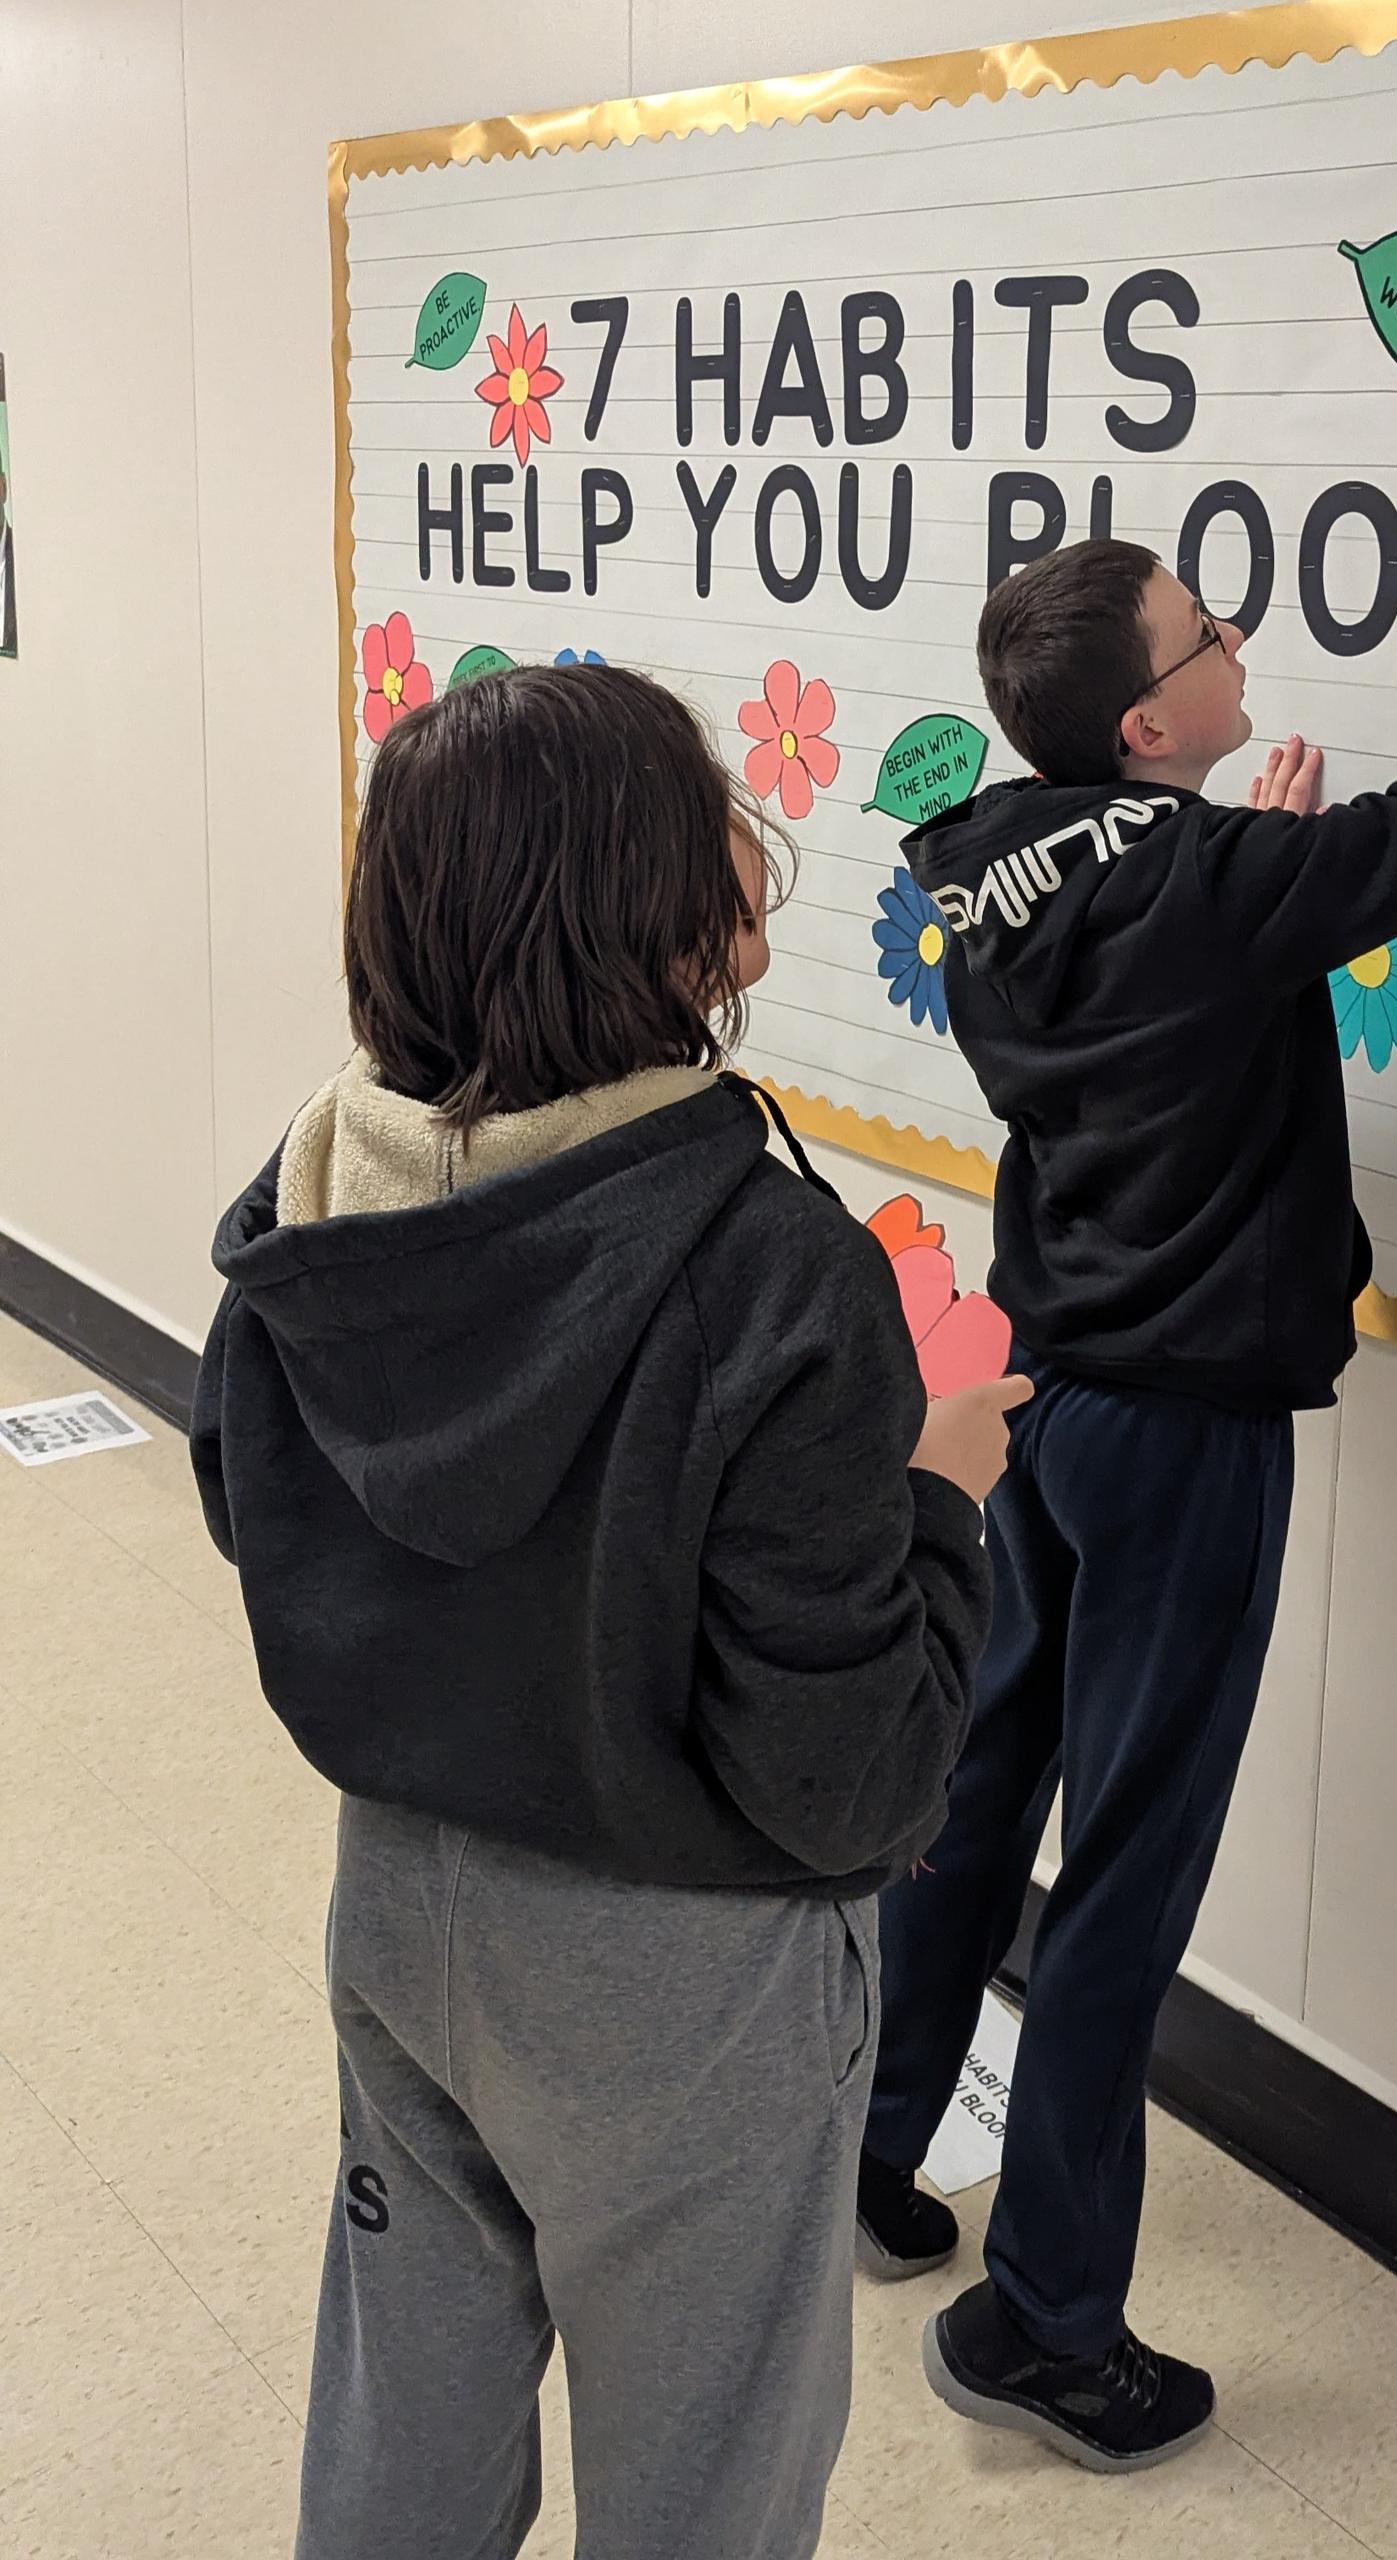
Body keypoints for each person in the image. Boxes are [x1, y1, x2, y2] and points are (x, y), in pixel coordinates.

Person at [853, 352, 1397, 2472]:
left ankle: (869, 2154)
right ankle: (1047, 2324)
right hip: (1181, 1441)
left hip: (1046, 1391)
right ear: (1149, 722)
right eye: (1210, 632)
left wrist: (1231, 864)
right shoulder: (1208, 881)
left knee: (981, 1788)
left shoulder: (997, 864)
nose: (1241, 638)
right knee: (1128, 1875)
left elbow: (1145, 968)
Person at [190, 661, 1030, 2559]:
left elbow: (254, 1501)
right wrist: (940, 1505)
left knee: (403, 2427)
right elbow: (848, 1781)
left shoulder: (322, 1190)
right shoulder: (768, 1264)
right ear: (643, 904)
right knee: (703, 2483)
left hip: (398, 1904)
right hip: (687, 1979)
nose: (751, 834)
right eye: (711, 802)